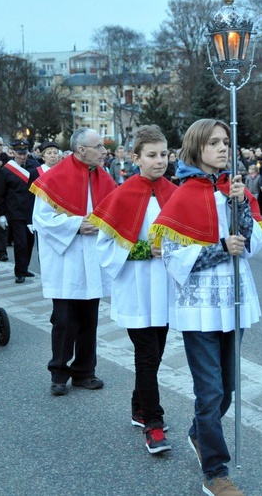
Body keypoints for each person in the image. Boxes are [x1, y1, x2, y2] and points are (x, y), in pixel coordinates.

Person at [150, 119, 262, 496]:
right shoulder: (182, 195)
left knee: (228, 390)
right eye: (214, 142)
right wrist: (219, 249)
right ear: (197, 147)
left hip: (234, 300)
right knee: (211, 391)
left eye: (226, 142)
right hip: (201, 305)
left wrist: (240, 205)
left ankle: (199, 433)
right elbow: (172, 257)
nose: (222, 148)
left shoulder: (233, 189)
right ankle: (215, 472)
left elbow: (254, 242)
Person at [90, 125, 177, 455]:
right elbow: (104, 246)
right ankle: (154, 424)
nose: (159, 161)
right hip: (136, 287)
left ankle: (139, 407)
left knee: (156, 352)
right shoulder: (122, 194)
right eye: (152, 155)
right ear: (135, 158)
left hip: (165, 289)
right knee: (147, 355)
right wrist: (143, 250)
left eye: (164, 154)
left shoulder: (174, 191)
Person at [30, 128, 117, 396]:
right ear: (81, 150)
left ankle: (84, 372)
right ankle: (58, 372)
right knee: (65, 319)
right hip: (66, 259)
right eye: (98, 146)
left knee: (89, 318)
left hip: (92, 256)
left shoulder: (104, 177)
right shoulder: (54, 178)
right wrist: (76, 224)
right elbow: (41, 220)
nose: (104, 152)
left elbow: (114, 210)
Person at [0, 140, 38, 284]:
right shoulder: (6, 171)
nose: (22, 156)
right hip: (15, 211)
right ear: (13, 153)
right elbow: (0, 193)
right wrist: (1, 214)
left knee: (30, 242)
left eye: (25, 153)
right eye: (19, 154)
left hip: (31, 212)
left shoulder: (34, 167)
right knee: (21, 242)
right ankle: (19, 272)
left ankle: (25, 268)